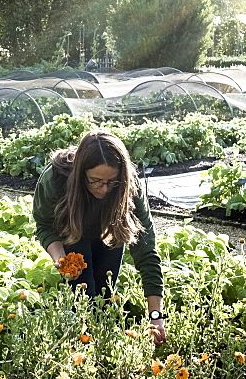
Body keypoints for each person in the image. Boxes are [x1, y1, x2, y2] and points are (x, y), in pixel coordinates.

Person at [32, 130, 166, 345]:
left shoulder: (129, 186)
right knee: (84, 299)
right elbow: (45, 225)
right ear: (80, 173)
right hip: (73, 232)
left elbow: (146, 251)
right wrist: (60, 259)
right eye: (95, 181)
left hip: (109, 232)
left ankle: (104, 351)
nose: (104, 189)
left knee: (105, 297)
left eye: (111, 181)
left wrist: (155, 316)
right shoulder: (56, 178)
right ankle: (80, 350)